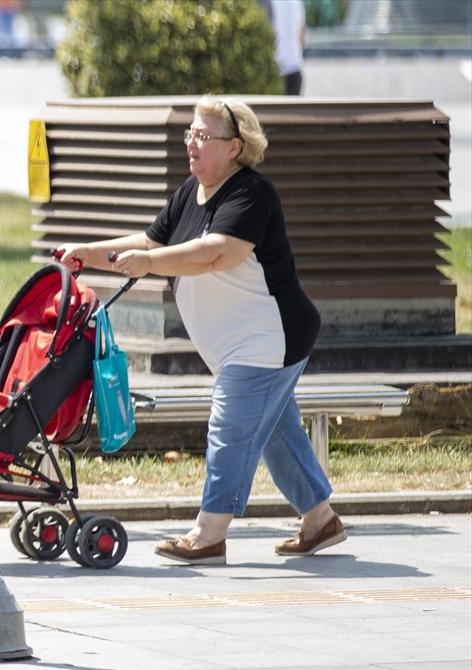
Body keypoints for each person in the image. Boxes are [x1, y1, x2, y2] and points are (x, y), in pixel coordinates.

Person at [55, 96, 345, 566]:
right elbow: (151, 241)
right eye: (190, 133)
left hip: (269, 340)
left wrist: (149, 263)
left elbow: (217, 253)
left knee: (230, 426)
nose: (192, 142)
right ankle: (320, 520)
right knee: (276, 432)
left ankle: (209, 535)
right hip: (241, 345)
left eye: (203, 135)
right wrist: (89, 252)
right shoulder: (190, 191)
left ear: (234, 147)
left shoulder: (251, 193)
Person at [270, 0, 306, 95]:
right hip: (295, 66)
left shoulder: (269, 2)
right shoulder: (297, 2)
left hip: (275, 68)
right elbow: (302, 38)